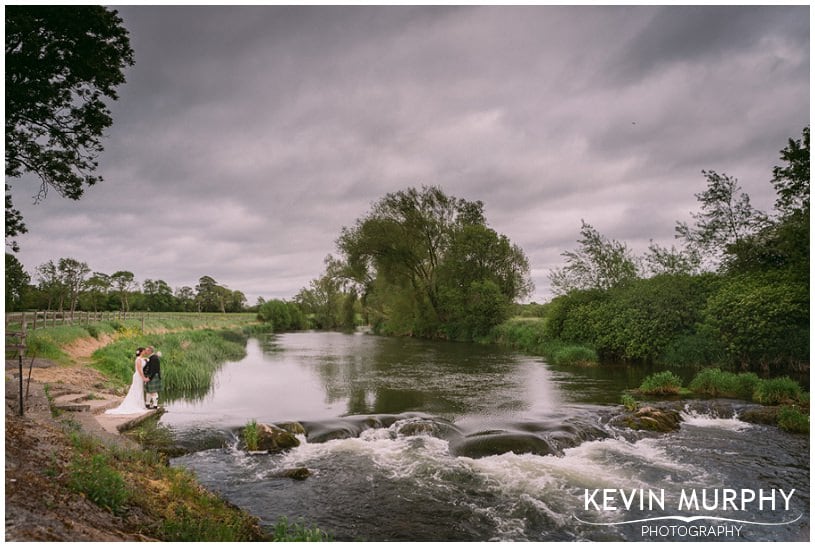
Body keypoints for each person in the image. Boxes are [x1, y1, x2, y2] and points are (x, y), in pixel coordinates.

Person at [105, 347, 150, 415]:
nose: (145, 352)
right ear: (141, 352)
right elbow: (140, 370)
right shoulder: (138, 360)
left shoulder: (141, 359)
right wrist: (143, 378)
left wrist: (149, 359)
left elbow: (146, 360)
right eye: (143, 351)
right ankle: (134, 404)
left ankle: (139, 404)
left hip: (140, 376)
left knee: (140, 390)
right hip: (138, 376)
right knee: (136, 389)